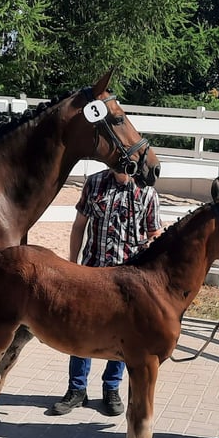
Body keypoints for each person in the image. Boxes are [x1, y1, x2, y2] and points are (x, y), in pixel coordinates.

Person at [51, 167, 162, 416]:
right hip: (92, 272)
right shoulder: (95, 183)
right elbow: (80, 225)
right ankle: (76, 389)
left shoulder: (147, 192)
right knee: (81, 328)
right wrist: (72, 265)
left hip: (127, 280)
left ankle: (111, 388)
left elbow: (155, 233)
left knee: (123, 334)